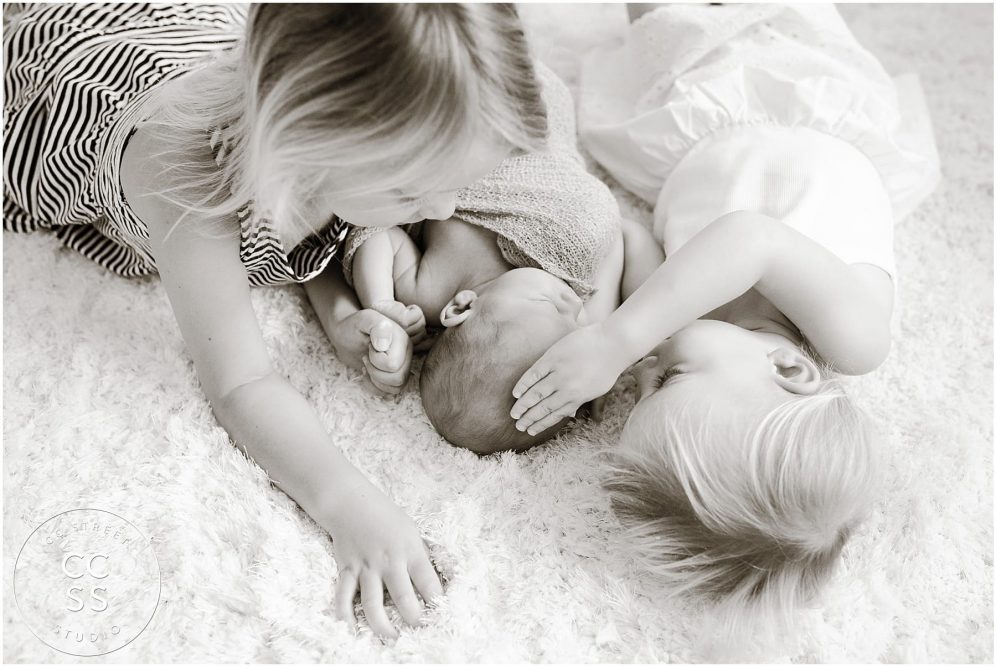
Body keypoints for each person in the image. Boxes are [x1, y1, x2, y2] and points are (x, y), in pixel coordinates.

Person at [4, 3, 548, 638]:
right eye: (410, 192)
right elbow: (240, 384)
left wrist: (340, 311)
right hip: (61, 77)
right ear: (309, 142)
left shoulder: (321, 152)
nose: (444, 210)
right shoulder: (185, 181)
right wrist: (351, 503)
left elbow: (306, 236)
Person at [508, 3, 940, 622]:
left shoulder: (684, 331)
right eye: (668, 381)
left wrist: (591, 320)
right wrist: (613, 341)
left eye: (639, 392)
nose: (642, 370)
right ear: (791, 370)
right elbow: (750, 239)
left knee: (655, 14)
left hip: (693, 104)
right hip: (801, 85)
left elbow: (623, 231)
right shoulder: (855, 337)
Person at [341, 64, 631, 453]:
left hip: (468, 115)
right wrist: (603, 327)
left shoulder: (429, 291)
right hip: (539, 120)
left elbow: (378, 233)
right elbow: (613, 239)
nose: (575, 302)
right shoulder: (570, 254)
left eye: (550, 304)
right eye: (575, 322)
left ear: (461, 308)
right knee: (591, 230)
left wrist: (380, 302)